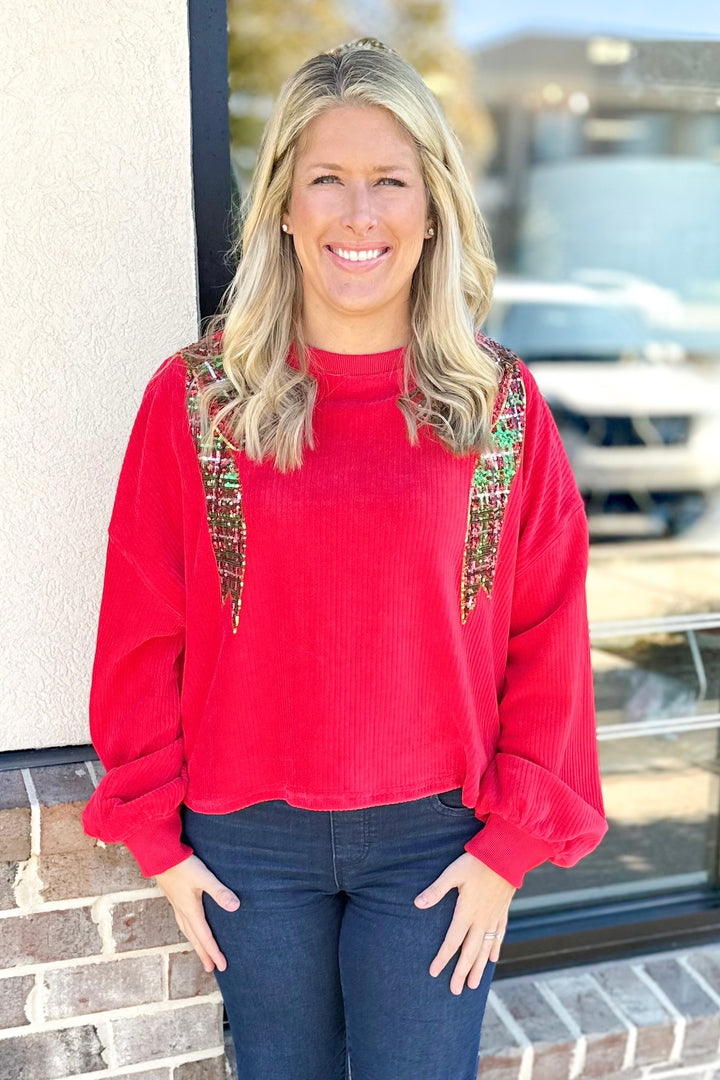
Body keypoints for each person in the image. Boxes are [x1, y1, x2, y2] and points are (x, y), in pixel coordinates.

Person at [82, 37, 608, 1080]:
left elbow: (548, 632)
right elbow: (146, 617)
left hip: (435, 845)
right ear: (284, 203)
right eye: (328, 179)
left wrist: (507, 853)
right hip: (246, 849)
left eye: (389, 182)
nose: (357, 214)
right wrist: (158, 838)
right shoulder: (198, 400)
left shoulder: (498, 407)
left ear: (433, 205)